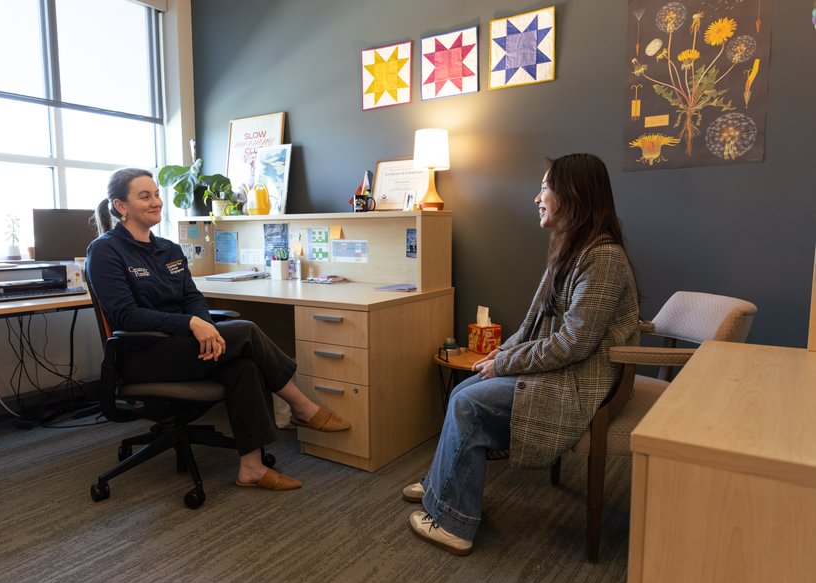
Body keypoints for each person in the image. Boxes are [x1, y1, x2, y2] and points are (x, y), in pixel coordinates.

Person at [403, 153, 640, 555]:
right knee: (468, 387)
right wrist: (500, 354)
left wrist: (505, 362)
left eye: (545, 187)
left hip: (583, 379)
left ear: (573, 195)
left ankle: (453, 523)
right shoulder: (572, 249)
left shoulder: (603, 259)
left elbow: (573, 343)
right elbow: (533, 322)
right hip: (567, 368)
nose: (537, 197)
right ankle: (441, 486)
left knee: (468, 404)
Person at [86, 167, 350, 492]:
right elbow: (126, 316)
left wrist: (206, 326)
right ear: (121, 206)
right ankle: (301, 406)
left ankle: (251, 468)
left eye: (156, 194)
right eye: (145, 196)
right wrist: (191, 323)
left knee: (244, 365)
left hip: (181, 347)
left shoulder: (168, 249)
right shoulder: (105, 250)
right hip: (142, 355)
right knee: (247, 330)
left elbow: (191, 297)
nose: (156, 201)